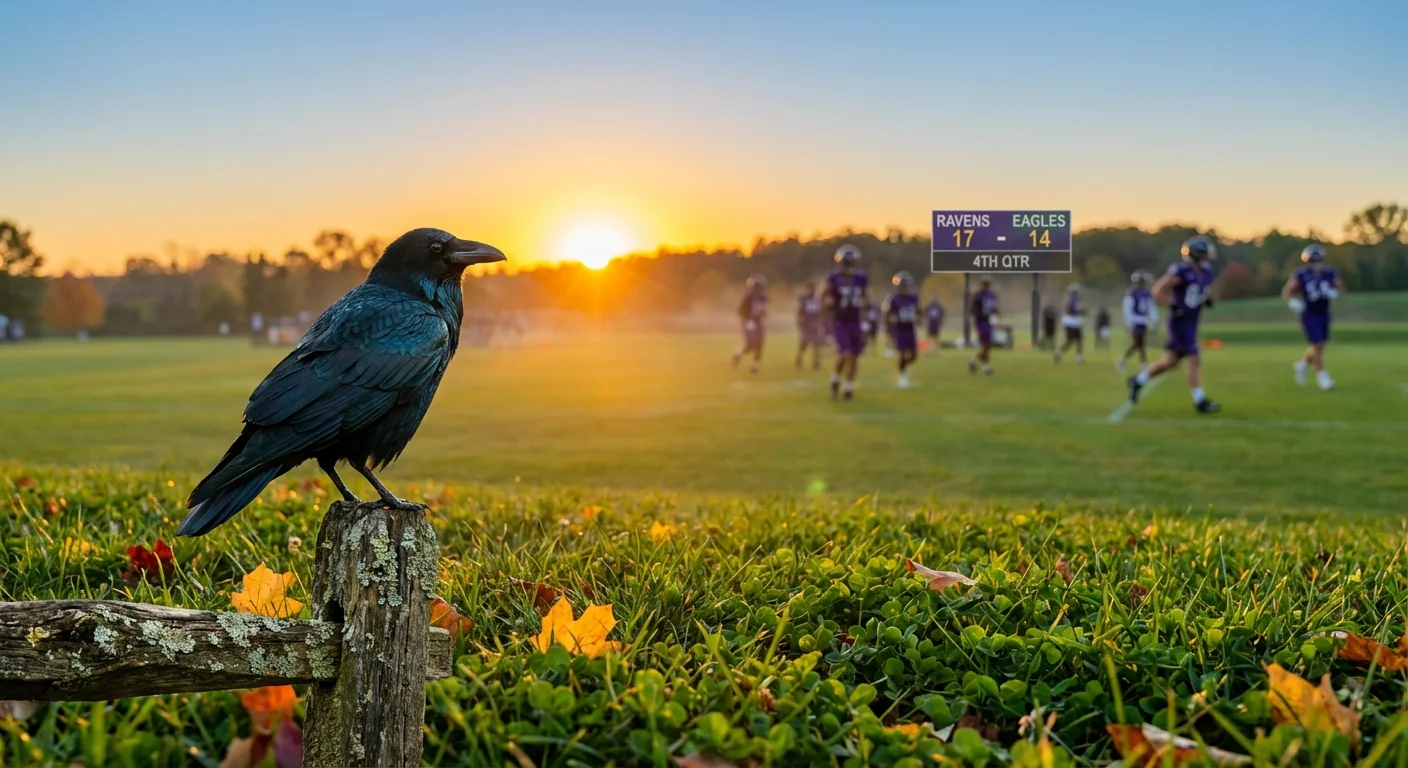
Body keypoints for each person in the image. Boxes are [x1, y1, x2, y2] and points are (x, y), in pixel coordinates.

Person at [1127, 236, 1221, 413]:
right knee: (1194, 357)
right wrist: (1174, 306)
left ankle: (1138, 381)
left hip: (1192, 321)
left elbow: (1202, 291)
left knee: (1171, 362)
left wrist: (1207, 299)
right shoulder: (1181, 271)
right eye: (1204, 252)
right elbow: (1158, 291)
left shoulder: (1206, 272)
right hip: (1180, 322)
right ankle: (1200, 401)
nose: (1208, 256)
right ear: (1196, 254)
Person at [1283, 243, 1344, 391]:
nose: (1316, 264)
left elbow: (1340, 287)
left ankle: (1302, 364)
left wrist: (1334, 292)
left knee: (1320, 345)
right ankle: (1323, 377)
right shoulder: (1301, 274)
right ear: (1308, 262)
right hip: (1309, 313)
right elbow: (1287, 291)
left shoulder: (1329, 273)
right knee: (1317, 344)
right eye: (1313, 261)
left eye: (1318, 260)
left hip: (1324, 312)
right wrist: (1293, 303)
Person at [823, 244, 869, 400]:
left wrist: (867, 310)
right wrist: (828, 304)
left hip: (855, 320)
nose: (848, 267)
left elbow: (866, 296)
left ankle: (848, 387)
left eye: (850, 263)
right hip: (840, 320)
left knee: (854, 356)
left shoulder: (861, 278)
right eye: (846, 263)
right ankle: (835, 378)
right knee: (846, 353)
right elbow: (824, 295)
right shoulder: (834, 278)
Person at [884, 271, 921, 388]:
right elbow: (887, 314)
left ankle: (903, 370)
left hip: (910, 327)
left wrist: (919, 317)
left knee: (914, 355)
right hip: (899, 328)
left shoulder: (913, 297)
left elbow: (919, 310)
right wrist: (889, 328)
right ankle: (902, 375)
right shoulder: (893, 298)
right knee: (903, 353)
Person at [1118, 271, 1157, 373]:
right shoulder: (1132, 293)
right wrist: (1129, 321)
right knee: (1138, 343)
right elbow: (1128, 308)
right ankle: (1140, 363)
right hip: (1135, 319)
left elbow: (1150, 307)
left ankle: (1138, 363)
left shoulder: (1146, 293)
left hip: (1143, 320)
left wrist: (1153, 319)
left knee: (1140, 344)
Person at [732, 275, 769, 373]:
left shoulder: (763, 297)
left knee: (760, 343)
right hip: (749, 322)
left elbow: (764, 309)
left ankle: (754, 365)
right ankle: (738, 353)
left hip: (758, 321)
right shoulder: (748, 297)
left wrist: (763, 313)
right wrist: (750, 316)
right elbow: (740, 311)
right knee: (750, 345)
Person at [967, 277, 998, 376]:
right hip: (981, 321)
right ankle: (986, 367)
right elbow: (972, 308)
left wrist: (996, 314)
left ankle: (974, 361)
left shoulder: (992, 295)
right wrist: (976, 316)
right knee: (986, 343)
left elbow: (994, 308)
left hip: (989, 321)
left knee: (987, 345)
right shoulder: (978, 295)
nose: (986, 285)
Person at [795, 281, 825, 370]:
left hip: (815, 324)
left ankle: (816, 363)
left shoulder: (818, 299)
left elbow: (821, 312)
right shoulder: (804, 299)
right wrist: (800, 321)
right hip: (807, 324)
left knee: (817, 344)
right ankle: (798, 361)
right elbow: (800, 311)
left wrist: (818, 322)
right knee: (804, 344)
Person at [1054, 285, 1086, 364]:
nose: (1076, 293)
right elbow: (1069, 310)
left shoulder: (1077, 300)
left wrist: (1083, 311)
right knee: (1070, 341)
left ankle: (1079, 358)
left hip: (1076, 322)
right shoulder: (1069, 300)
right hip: (1070, 322)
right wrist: (1079, 310)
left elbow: (1079, 310)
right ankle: (1058, 353)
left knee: (1080, 340)